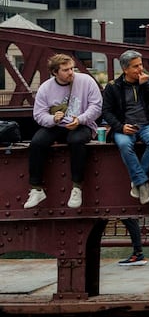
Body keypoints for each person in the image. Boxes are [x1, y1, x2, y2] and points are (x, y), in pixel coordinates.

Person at [99, 50, 149, 265]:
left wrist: (145, 86)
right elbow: (106, 112)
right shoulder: (113, 87)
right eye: (135, 66)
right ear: (125, 69)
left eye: (141, 64)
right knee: (125, 145)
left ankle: (138, 182)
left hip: (147, 126)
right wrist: (119, 126)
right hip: (124, 128)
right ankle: (143, 183)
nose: (140, 69)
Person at [23, 54, 101, 211]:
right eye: (66, 70)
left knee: (76, 140)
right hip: (57, 125)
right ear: (54, 72)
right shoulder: (45, 88)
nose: (71, 72)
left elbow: (96, 106)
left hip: (82, 124)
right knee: (37, 142)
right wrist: (53, 119)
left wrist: (80, 119)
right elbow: (38, 114)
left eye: (72, 68)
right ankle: (36, 189)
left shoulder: (86, 81)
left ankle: (77, 187)